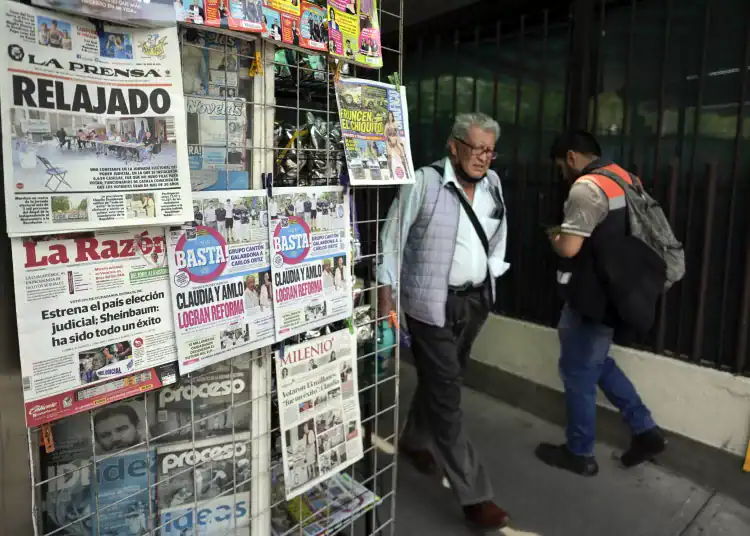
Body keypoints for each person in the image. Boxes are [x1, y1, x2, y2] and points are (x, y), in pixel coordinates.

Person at [378, 112, 510, 530]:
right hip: (430, 304)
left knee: (443, 380)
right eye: (476, 148)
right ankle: (475, 495)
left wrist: (490, 278)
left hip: (472, 303)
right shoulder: (424, 182)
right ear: (454, 146)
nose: (483, 158)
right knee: (448, 394)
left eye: (490, 150)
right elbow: (392, 239)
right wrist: (387, 296)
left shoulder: (493, 185)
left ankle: (414, 439)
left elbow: (499, 233)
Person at [535, 130, 667, 476]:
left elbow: (570, 248)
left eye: (562, 165)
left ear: (573, 157)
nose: (563, 173)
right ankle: (645, 430)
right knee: (595, 362)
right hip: (621, 291)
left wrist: (555, 236)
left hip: (592, 295)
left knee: (577, 372)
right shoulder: (626, 178)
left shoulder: (586, 187)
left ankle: (580, 453)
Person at [386, 111, 410, 180]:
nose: (390, 117)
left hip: (396, 140)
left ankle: (406, 171)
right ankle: (390, 171)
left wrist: (398, 141)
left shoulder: (395, 124)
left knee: (402, 153)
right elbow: (385, 135)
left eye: (391, 116)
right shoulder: (387, 125)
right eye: (389, 116)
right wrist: (389, 141)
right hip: (390, 141)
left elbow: (398, 134)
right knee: (389, 155)